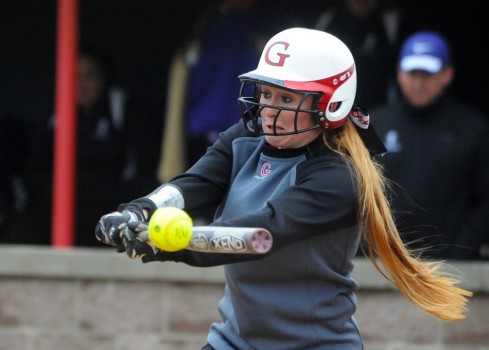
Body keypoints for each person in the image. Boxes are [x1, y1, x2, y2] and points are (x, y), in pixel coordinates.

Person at [95, 28, 471, 349]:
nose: (269, 111)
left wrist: (165, 243)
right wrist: (140, 210)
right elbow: (195, 183)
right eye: (266, 94)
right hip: (234, 339)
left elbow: (258, 235)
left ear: (330, 105)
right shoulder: (247, 136)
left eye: (287, 99)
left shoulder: (339, 176)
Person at [371, 31, 489, 260]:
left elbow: (484, 202)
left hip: (449, 269)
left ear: (447, 74)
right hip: (379, 264)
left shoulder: (473, 129)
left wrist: (461, 254)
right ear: (399, 73)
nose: (419, 82)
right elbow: (355, 193)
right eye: (412, 72)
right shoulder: (374, 124)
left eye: (427, 73)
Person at [314, 0, 405, 108]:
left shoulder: (391, 22)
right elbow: (316, 64)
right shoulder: (329, 19)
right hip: (336, 104)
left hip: (380, 106)